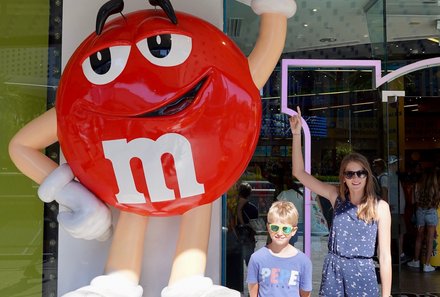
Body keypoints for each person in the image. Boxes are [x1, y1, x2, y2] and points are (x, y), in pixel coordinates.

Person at [289, 107, 392, 297]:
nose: (356, 178)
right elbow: (299, 173)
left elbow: (385, 255)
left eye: (360, 173)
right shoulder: (336, 196)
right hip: (334, 271)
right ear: (343, 177)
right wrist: (296, 134)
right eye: (350, 173)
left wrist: (386, 295)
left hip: (363, 272)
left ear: (367, 175)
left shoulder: (380, 207)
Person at [246, 201, 312, 297]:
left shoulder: (303, 262)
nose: (280, 233)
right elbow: (253, 293)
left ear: (293, 231)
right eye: (275, 228)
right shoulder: (256, 258)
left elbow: (305, 294)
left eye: (285, 229)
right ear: (268, 228)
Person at [407, 167, 440, 272]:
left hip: (420, 212)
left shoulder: (417, 185)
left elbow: (412, 201)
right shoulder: (436, 187)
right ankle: (427, 265)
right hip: (432, 212)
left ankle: (416, 261)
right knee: (430, 239)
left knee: (419, 237)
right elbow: (437, 201)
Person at [236, 182, 258, 265]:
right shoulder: (253, 208)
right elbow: (254, 224)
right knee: (249, 260)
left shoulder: (233, 206)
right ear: (249, 194)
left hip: (237, 234)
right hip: (249, 235)